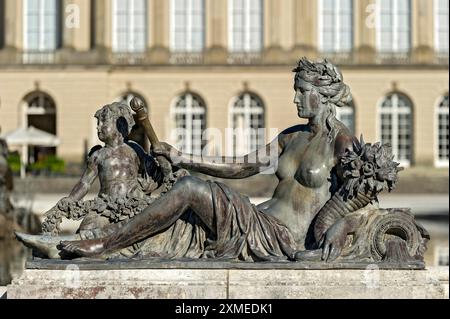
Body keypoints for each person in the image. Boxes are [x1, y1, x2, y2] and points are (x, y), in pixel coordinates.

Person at [57, 58, 358, 261]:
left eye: (303, 92)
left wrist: (342, 225)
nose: (295, 99)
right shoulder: (291, 137)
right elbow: (242, 166)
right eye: (297, 91)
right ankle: (109, 237)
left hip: (283, 237)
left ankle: (104, 244)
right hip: (259, 222)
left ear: (324, 94)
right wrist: (182, 157)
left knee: (189, 189)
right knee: (179, 220)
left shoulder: (342, 142)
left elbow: (361, 195)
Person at [16, 102, 163, 258]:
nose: (98, 128)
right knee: (88, 228)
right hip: (105, 206)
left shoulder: (134, 149)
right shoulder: (97, 155)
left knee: (130, 229)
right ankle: (65, 248)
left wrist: (162, 160)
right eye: (97, 124)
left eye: (103, 123)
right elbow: (84, 183)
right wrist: (70, 200)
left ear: (119, 125)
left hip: (132, 204)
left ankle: (72, 248)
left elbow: (152, 171)